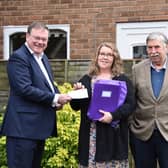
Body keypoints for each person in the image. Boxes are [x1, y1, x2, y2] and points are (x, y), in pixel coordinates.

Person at [0, 21, 72, 168]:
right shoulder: (18, 57)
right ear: (27, 36)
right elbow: (24, 89)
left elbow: (48, 85)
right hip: (22, 130)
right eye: (37, 38)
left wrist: (58, 99)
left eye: (44, 39)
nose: (40, 42)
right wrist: (55, 98)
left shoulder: (43, 58)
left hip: (36, 129)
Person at [70, 42, 135, 168]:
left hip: (113, 136)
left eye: (109, 55)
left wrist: (113, 115)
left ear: (114, 59)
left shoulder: (122, 80)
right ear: (97, 56)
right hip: (90, 136)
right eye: (102, 54)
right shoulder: (86, 79)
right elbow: (75, 106)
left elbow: (130, 105)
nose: (105, 57)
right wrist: (76, 94)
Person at [129, 32, 168, 168]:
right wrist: (132, 126)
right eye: (149, 48)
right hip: (142, 134)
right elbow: (131, 100)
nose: (153, 51)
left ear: (166, 48)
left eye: (157, 47)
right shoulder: (137, 69)